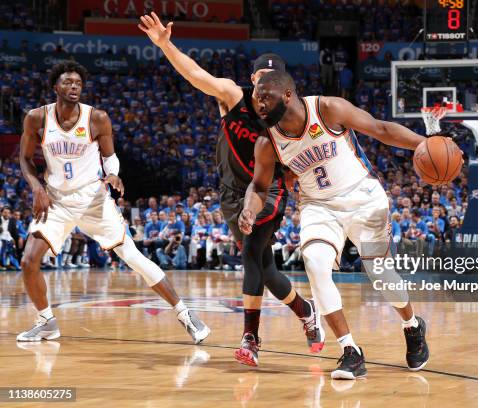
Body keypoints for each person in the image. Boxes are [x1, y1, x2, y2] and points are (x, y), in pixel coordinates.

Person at [138, 12, 323, 367]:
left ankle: (250, 339)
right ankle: (305, 310)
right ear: (252, 79)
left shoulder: (287, 117)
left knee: (251, 252)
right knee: (265, 269)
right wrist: (165, 45)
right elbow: (195, 74)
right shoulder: (232, 96)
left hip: (267, 193)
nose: (265, 84)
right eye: (260, 77)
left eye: (273, 79)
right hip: (231, 196)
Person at [239, 70, 437, 379]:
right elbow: (259, 187)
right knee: (315, 264)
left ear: (287, 94)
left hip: (363, 198)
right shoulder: (267, 142)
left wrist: (424, 144)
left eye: (265, 97)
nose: (259, 105)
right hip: (319, 206)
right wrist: (249, 210)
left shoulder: (328, 109)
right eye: (255, 100)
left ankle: (412, 325)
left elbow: (381, 129)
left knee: (380, 273)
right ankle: (350, 350)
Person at [17, 62, 210, 343]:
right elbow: (24, 158)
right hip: (57, 199)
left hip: (93, 199)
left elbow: (109, 156)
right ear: (55, 87)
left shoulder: (97, 119)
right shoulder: (37, 118)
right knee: (28, 260)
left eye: (78, 83)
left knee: (131, 256)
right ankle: (46, 321)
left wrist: (113, 174)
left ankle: (185, 314)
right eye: (68, 82)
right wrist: (36, 187)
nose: (74, 87)